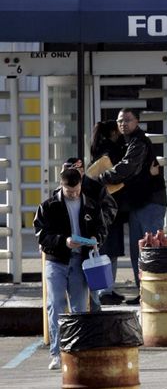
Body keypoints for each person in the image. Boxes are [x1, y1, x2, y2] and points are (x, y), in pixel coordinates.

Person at [34, 168, 108, 370]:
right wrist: (63, 242)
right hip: (56, 261)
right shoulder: (48, 207)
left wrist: (96, 240)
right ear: (61, 186)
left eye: (76, 190)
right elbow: (42, 235)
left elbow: (102, 229)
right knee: (55, 305)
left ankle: (77, 352)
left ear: (81, 184)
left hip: (81, 261)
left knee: (79, 309)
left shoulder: (91, 205)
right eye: (69, 191)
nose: (73, 194)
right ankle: (57, 353)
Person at [98, 108, 167, 305]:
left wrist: (101, 177)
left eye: (128, 120)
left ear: (137, 121)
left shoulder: (139, 141)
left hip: (150, 202)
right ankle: (144, 293)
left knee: (151, 250)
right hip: (138, 204)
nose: (123, 124)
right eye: (120, 121)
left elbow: (128, 167)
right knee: (139, 251)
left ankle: (154, 293)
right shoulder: (126, 142)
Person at [60, 158, 118, 311]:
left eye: (76, 171)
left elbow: (110, 208)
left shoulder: (95, 188)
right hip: (70, 248)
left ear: (82, 171)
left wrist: (97, 230)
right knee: (70, 294)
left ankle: (94, 325)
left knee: (93, 289)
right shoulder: (61, 191)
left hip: (90, 245)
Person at [88, 121, 127, 305]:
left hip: (100, 208)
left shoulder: (97, 150)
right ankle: (105, 290)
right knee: (109, 251)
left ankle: (107, 288)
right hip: (109, 207)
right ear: (113, 132)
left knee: (105, 250)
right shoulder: (111, 151)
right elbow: (118, 176)